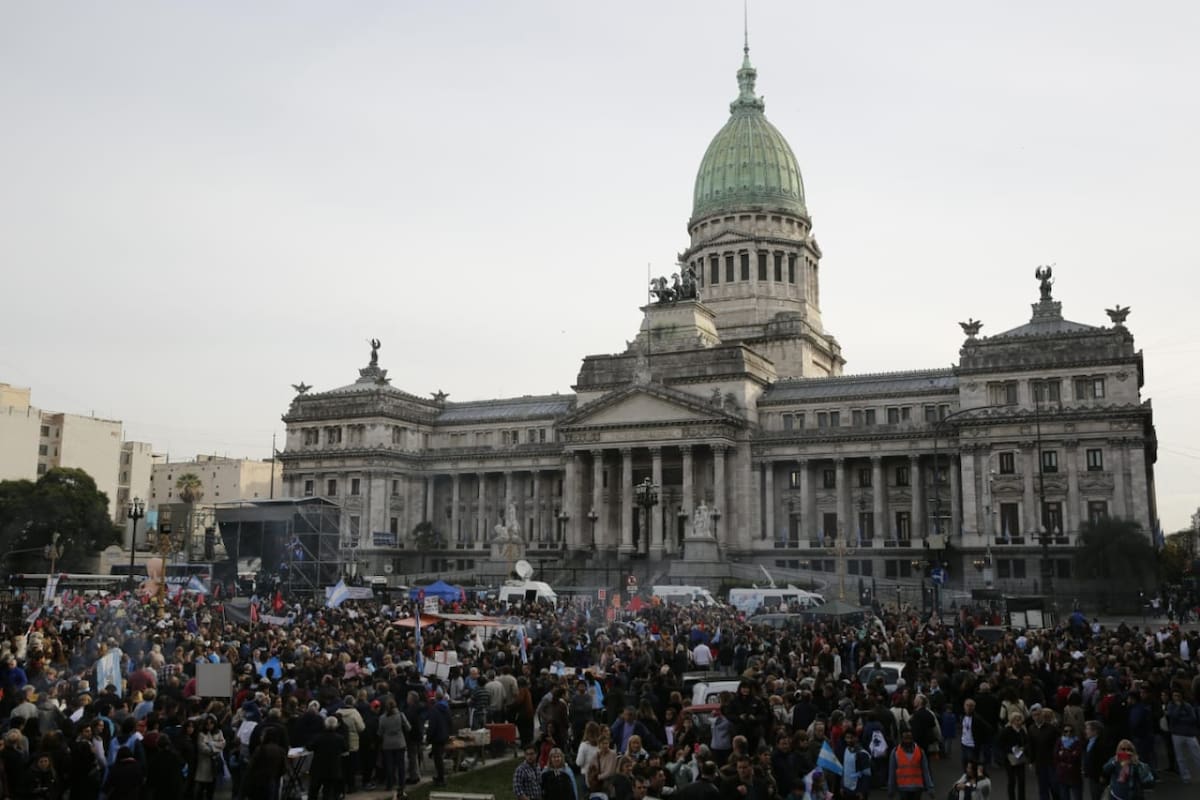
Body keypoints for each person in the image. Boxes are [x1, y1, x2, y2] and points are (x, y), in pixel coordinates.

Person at [1164, 689, 1200, 784]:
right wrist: (1179, 709)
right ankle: (1185, 777)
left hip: (1189, 733)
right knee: (1180, 757)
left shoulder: (1187, 705)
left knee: (1197, 754)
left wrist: (1181, 719)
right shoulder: (1171, 706)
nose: (1176, 698)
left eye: (1178, 695)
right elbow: (1173, 717)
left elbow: (1193, 718)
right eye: (1175, 695)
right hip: (1177, 733)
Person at [307, 716, 348, 800]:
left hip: (318, 767)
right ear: (336, 726)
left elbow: (309, 747)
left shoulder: (318, 737)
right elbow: (345, 748)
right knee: (328, 791)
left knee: (314, 790)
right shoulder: (340, 738)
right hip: (332, 768)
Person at [887, 728, 933, 800]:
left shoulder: (920, 751)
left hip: (917, 788)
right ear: (901, 739)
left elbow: (925, 771)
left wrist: (930, 788)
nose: (908, 741)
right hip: (903, 788)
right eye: (905, 738)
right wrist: (891, 789)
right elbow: (892, 772)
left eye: (909, 738)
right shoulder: (895, 752)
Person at [378, 698, 411, 795]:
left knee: (389, 765)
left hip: (387, 744)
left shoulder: (382, 718)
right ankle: (402, 784)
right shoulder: (400, 715)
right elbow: (408, 727)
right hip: (399, 742)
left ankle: (389, 784)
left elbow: (380, 732)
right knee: (401, 765)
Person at [996, 712, 1029, 800]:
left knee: (1021, 780)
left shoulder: (1022, 731)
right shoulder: (1006, 731)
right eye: (1016, 720)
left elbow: (1027, 742)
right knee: (1012, 781)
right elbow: (999, 743)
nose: (1019, 722)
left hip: (1020, 757)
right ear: (1012, 721)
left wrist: (1023, 748)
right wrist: (1011, 749)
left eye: (1020, 720)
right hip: (1009, 759)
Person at [194, 715, 226, 800]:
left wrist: (211, 744)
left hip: (214, 765)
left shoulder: (219, 732)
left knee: (211, 790)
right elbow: (203, 748)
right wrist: (215, 747)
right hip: (204, 765)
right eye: (207, 724)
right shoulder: (201, 734)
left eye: (211, 724)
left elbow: (222, 744)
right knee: (201, 789)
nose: (209, 726)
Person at [427, 687, 453, 787]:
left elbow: (432, 726)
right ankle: (440, 777)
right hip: (444, 735)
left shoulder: (434, 710)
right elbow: (450, 722)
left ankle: (441, 779)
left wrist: (429, 737)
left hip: (437, 737)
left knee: (438, 759)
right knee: (439, 757)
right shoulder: (446, 708)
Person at [1052, 724, 1083, 800]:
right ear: (1063, 732)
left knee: (1077, 797)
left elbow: (1076, 757)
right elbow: (1055, 756)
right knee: (1064, 797)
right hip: (1062, 774)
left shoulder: (1077, 741)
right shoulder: (1059, 741)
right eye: (1066, 731)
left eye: (1071, 731)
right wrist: (1070, 753)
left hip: (1074, 774)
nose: (1068, 733)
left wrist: (1063, 753)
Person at [839, 729, 871, 800]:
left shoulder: (862, 754)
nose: (849, 740)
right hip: (847, 790)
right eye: (847, 737)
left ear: (856, 738)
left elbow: (866, 774)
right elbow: (844, 770)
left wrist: (862, 792)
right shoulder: (846, 750)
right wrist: (842, 786)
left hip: (857, 792)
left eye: (851, 737)